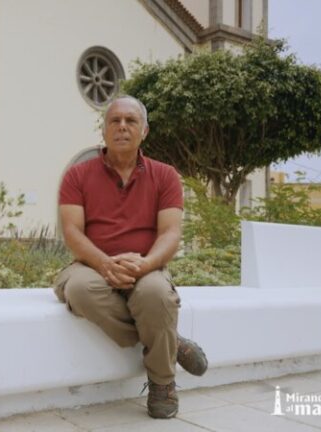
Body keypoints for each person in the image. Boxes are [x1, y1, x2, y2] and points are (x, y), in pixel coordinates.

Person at [54, 95, 207, 419]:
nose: (122, 127)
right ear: (104, 130)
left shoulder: (165, 176)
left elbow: (170, 233)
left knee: (156, 294)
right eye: (114, 120)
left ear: (144, 131)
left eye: (130, 121)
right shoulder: (77, 176)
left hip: (146, 264)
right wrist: (104, 263)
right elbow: (72, 232)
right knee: (79, 290)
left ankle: (162, 385)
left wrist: (146, 264)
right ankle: (170, 341)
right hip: (91, 264)